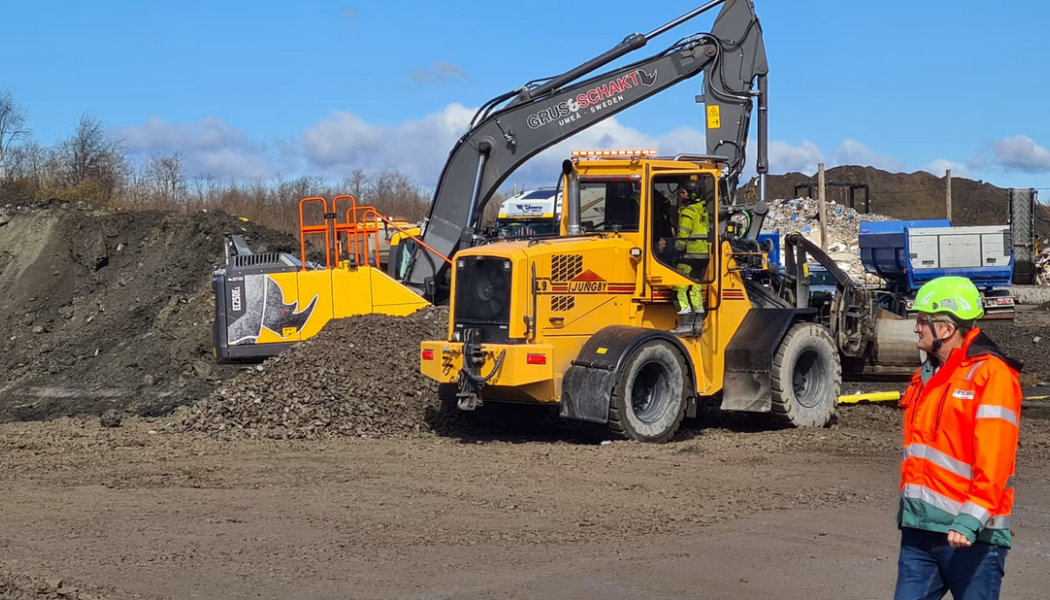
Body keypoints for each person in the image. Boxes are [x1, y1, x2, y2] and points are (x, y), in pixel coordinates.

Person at [893, 276, 1024, 600]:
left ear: (947, 329)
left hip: (973, 539)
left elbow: (994, 460)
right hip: (920, 533)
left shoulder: (991, 375)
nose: (916, 328)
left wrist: (969, 521)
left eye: (923, 321)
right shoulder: (927, 375)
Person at [671, 179, 709, 335]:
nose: (680, 195)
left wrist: (675, 251)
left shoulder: (688, 212)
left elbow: (683, 235)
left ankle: (686, 323)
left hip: (689, 254)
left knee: (679, 287)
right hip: (702, 255)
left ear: (692, 195)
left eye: (683, 192)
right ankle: (697, 324)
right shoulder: (702, 211)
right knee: (696, 288)